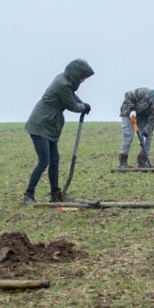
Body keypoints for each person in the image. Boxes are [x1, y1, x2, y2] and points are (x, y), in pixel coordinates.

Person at [24, 59, 93, 203]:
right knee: (44, 160)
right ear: (76, 74)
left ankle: (55, 194)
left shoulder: (66, 81)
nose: (83, 81)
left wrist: (83, 103)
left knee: (54, 160)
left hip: (49, 125)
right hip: (40, 124)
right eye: (82, 77)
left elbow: (73, 96)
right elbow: (71, 105)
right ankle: (28, 194)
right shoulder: (63, 84)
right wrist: (83, 107)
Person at [119, 88, 154, 168]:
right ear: (152, 101)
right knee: (128, 135)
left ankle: (142, 160)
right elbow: (127, 95)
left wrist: (145, 134)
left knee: (148, 137)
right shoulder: (144, 93)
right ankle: (123, 161)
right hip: (128, 112)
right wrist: (132, 109)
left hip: (142, 115)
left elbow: (152, 123)